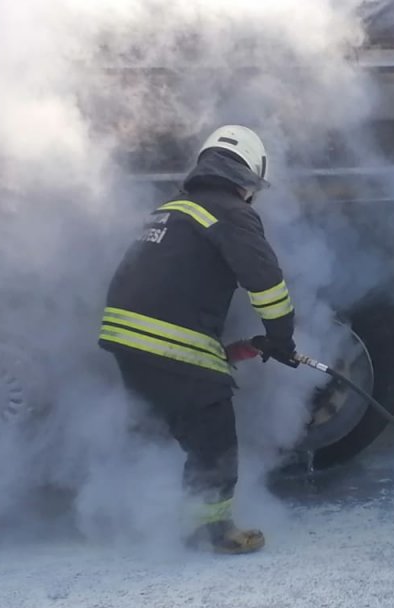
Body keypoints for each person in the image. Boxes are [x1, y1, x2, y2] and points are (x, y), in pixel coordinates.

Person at [98, 125, 299, 554]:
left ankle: (152, 514)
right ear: (249, 179)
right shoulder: (232, 211)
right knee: (214, 436)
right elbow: (265, 282)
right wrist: (281, 337)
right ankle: (212, 531)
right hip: (165, 336)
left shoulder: (172, 209)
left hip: (124, 335)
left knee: (183, 430)